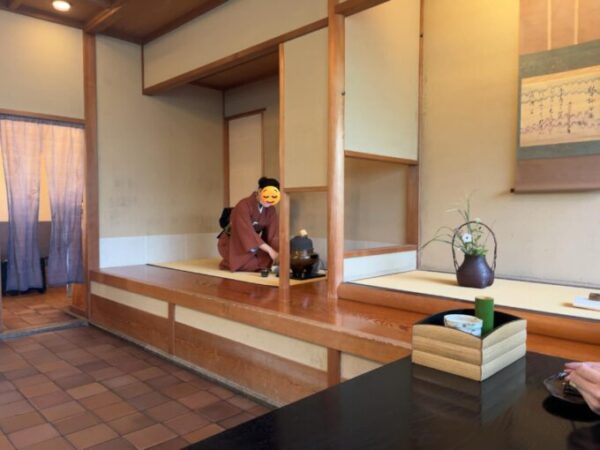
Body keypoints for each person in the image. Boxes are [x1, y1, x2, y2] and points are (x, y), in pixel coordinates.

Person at [218, 177, 280, 272]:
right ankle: (228, 262)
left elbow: (273, 235)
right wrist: (270, 250)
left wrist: (278, 252)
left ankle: (249, 259)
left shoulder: (271, 209)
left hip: (253, 243)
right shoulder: (243, 205)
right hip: (233, 242)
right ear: (259, 191)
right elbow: (247, 233)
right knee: (250, 264)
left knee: (268, 260)